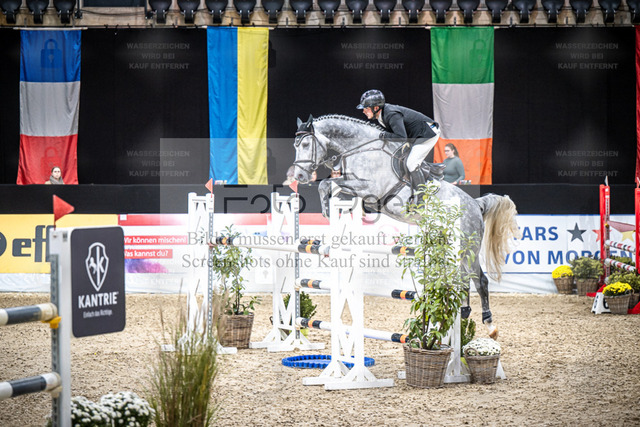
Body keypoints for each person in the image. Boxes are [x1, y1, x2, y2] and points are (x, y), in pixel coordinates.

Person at [357, 89, 440, 191]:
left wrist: (384, 135)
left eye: (366, 108)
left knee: (411, 163)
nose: (363, 111)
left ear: (376, 108)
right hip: (416, 135)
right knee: (402, 158)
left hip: (427, 132)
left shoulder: (391, 114)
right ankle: (430, 179)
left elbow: (401, 137)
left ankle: (424, 193)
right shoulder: (381, 115)